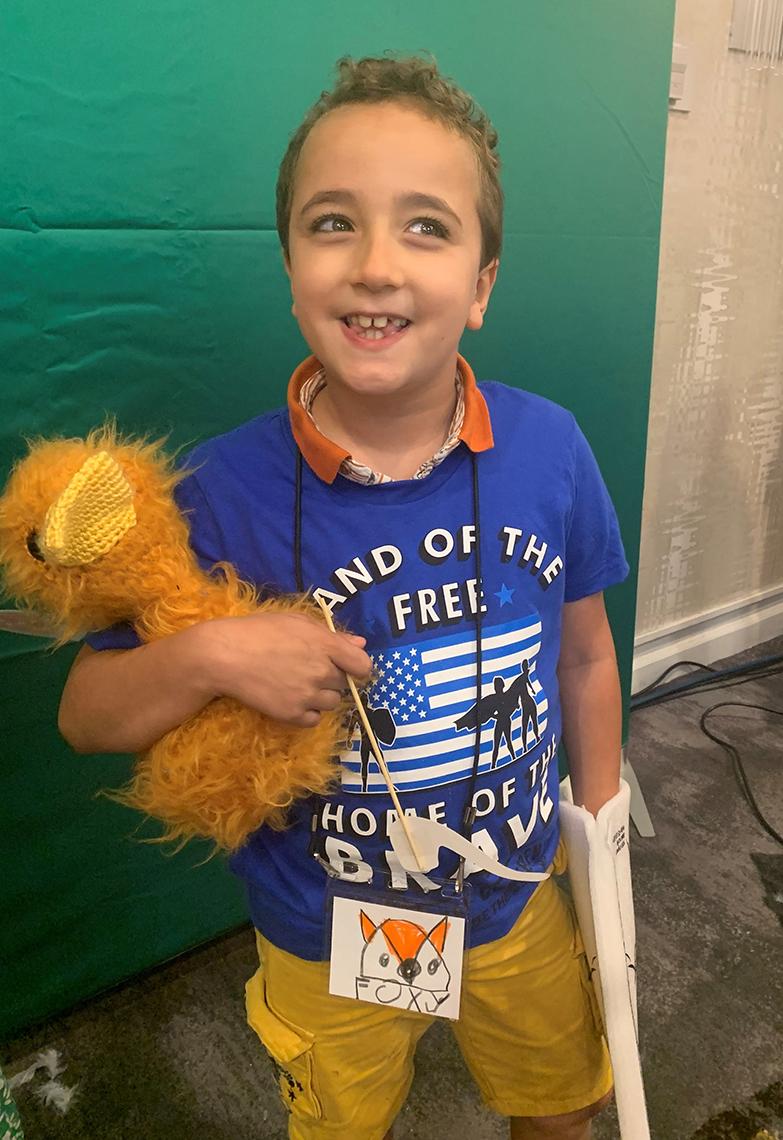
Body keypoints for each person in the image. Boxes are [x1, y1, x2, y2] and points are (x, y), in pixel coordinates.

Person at [58, 55, 629, 1140]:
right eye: (333, 224)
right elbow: (86, 718)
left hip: (517, 902)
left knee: (563, 1107)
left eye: (426, 227)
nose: (375, 265)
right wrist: (218, 656)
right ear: (287, 264)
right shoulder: (219, 491)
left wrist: (598, 824)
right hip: (331, 937)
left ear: (483, 282)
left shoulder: (550, 451)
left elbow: (587, 656)